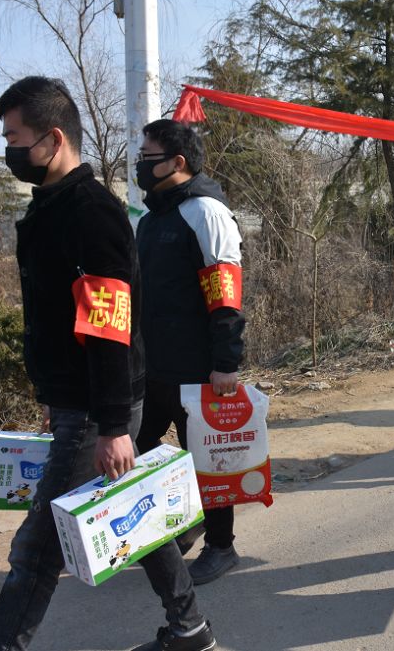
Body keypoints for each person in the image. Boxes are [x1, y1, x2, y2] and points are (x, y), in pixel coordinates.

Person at [0, 77, 216, 651]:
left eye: (14, 137)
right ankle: (189, 628)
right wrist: (56, 402)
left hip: (97, 405)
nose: (8, 149)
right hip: (79, 401)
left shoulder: (91, 213)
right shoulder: (52, 207)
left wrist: (110, 426)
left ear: (52, 138)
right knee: (128, 504)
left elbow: (110, 330)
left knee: (34, 553)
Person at [134, 119, 246, 585]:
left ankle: (222, 546)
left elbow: (225, 293)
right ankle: (190, 516)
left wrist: (225, 363)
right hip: (154, 363)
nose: (140, 165)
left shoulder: (205, 212)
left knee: (206, 456)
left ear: (176, 163)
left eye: (147, 157)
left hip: (199, 366)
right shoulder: (151, 218)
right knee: (138, 444)